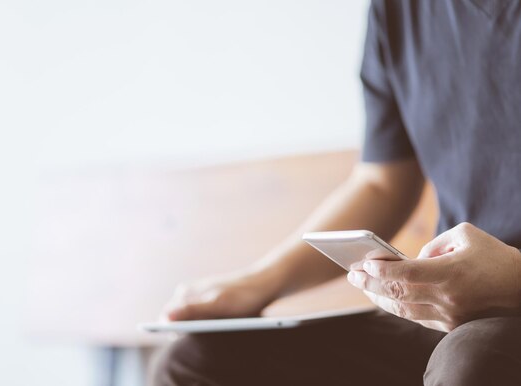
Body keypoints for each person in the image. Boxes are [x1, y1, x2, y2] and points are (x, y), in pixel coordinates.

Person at [150, 1, 521, 385]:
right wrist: (258, 283)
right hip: (445, 314)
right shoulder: (396, 11)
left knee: (474, 359)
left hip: (486, 338)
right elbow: (381, 185)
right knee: (195, 363)